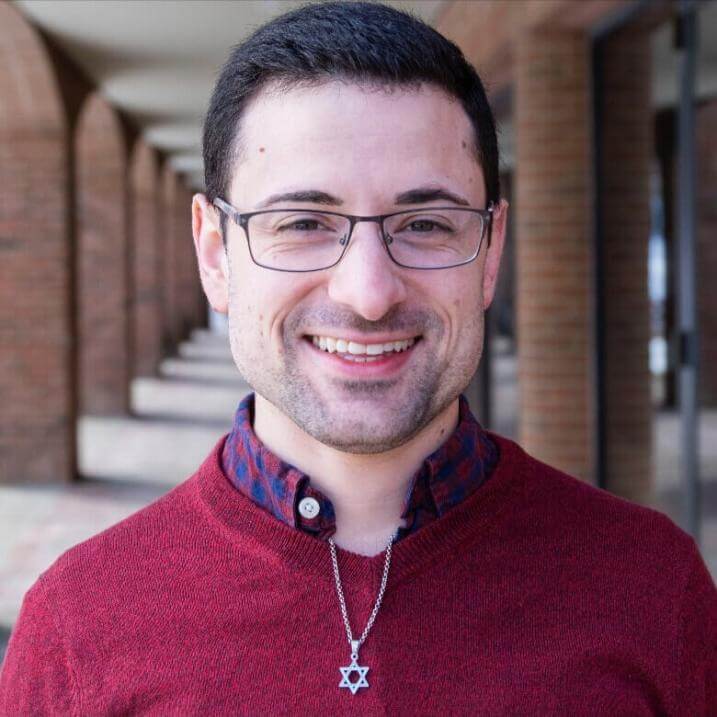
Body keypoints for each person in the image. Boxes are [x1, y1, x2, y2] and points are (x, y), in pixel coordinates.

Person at [1, 2, 715, 714]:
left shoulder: (652, 587)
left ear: (491, 253)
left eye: (426, 223)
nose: (369, 293)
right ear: (215, 254)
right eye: (304, 223)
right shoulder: (78, 623)